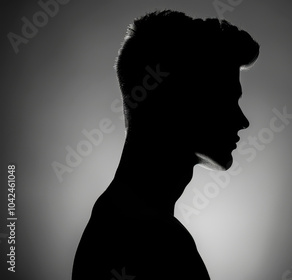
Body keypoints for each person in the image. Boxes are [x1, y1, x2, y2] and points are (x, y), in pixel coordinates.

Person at [72, 9, 259, 280]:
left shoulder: (122, 227)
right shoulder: (152, 244)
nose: (242, 121)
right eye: (228, 98)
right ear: (180, 100)